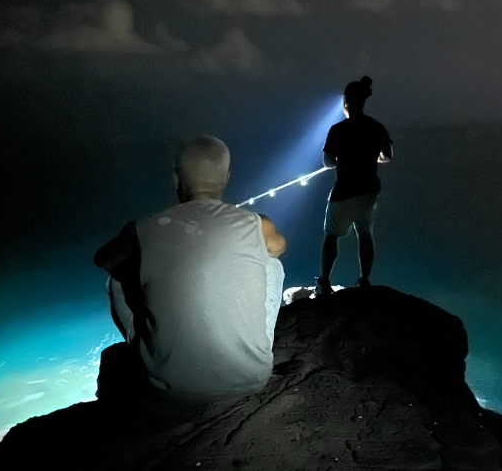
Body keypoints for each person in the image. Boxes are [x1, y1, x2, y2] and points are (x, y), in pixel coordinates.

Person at [94, 135, 287, 403]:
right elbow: (279, 248)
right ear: (227, 177)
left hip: (168, 386)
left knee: (116, 279)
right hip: (251, 378)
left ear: (176, 179)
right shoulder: (258, 223)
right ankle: (247, 351)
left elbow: (103, 260)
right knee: (273, 265)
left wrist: (149, 263)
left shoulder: (143, 229)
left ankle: (150, 352)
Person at [315, 76, 393, 296]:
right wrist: (371, 157)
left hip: (344, 191)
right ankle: (364, 279)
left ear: (346, 102)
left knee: (331, 236)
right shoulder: (376, 127)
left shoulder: (337, 130)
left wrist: (342, 158)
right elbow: (387, 156)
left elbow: (328, 162)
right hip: (369, 190)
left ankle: (324, 282)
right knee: (365, 233)